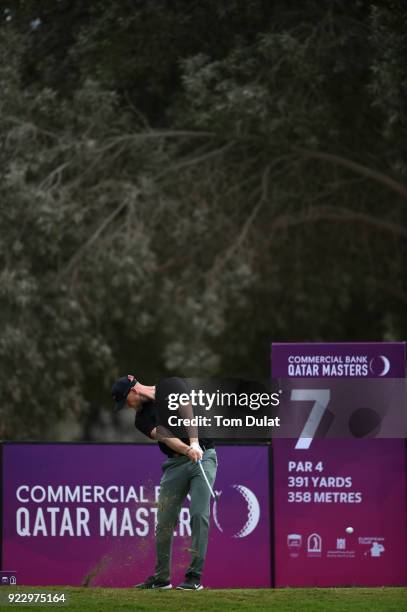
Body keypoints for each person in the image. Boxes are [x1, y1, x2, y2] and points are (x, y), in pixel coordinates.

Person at [111, 374, 217, 591]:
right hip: (175, 464)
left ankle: (194, 578)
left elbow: (187, 412)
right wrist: (188, 449)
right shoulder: (141, 419)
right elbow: (164, 435)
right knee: (164, 521)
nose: (128, 407)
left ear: (133, 391)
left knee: (199, 515)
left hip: (204, 457)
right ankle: (161, 579)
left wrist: (195, 443)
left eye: (126, 401)